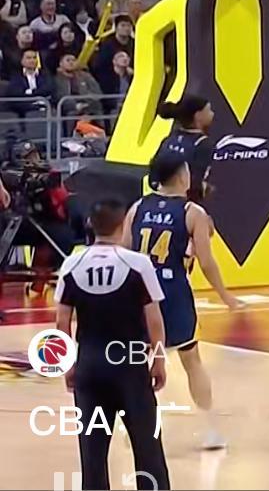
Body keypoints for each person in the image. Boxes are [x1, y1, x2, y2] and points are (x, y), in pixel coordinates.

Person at [124, 146, 243, 450]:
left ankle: (135, 430)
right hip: (173, 292)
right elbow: (207, 262)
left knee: (138, 362)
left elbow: (123, 253)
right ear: (181, 176)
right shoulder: (193, 213)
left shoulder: (137, 208)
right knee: (191, 360)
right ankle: (211, 430)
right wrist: (226, 296)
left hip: (140, 295)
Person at [54, 199, 172, 490]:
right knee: (147, 449)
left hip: (90, 365)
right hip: (130, 365)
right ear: (122, 225)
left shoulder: (71, 264)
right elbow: (154, 320)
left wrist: (69, 365)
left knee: (92, 454)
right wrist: (158, 360)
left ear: (90, 225)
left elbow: (61, 322)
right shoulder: (138, 264)